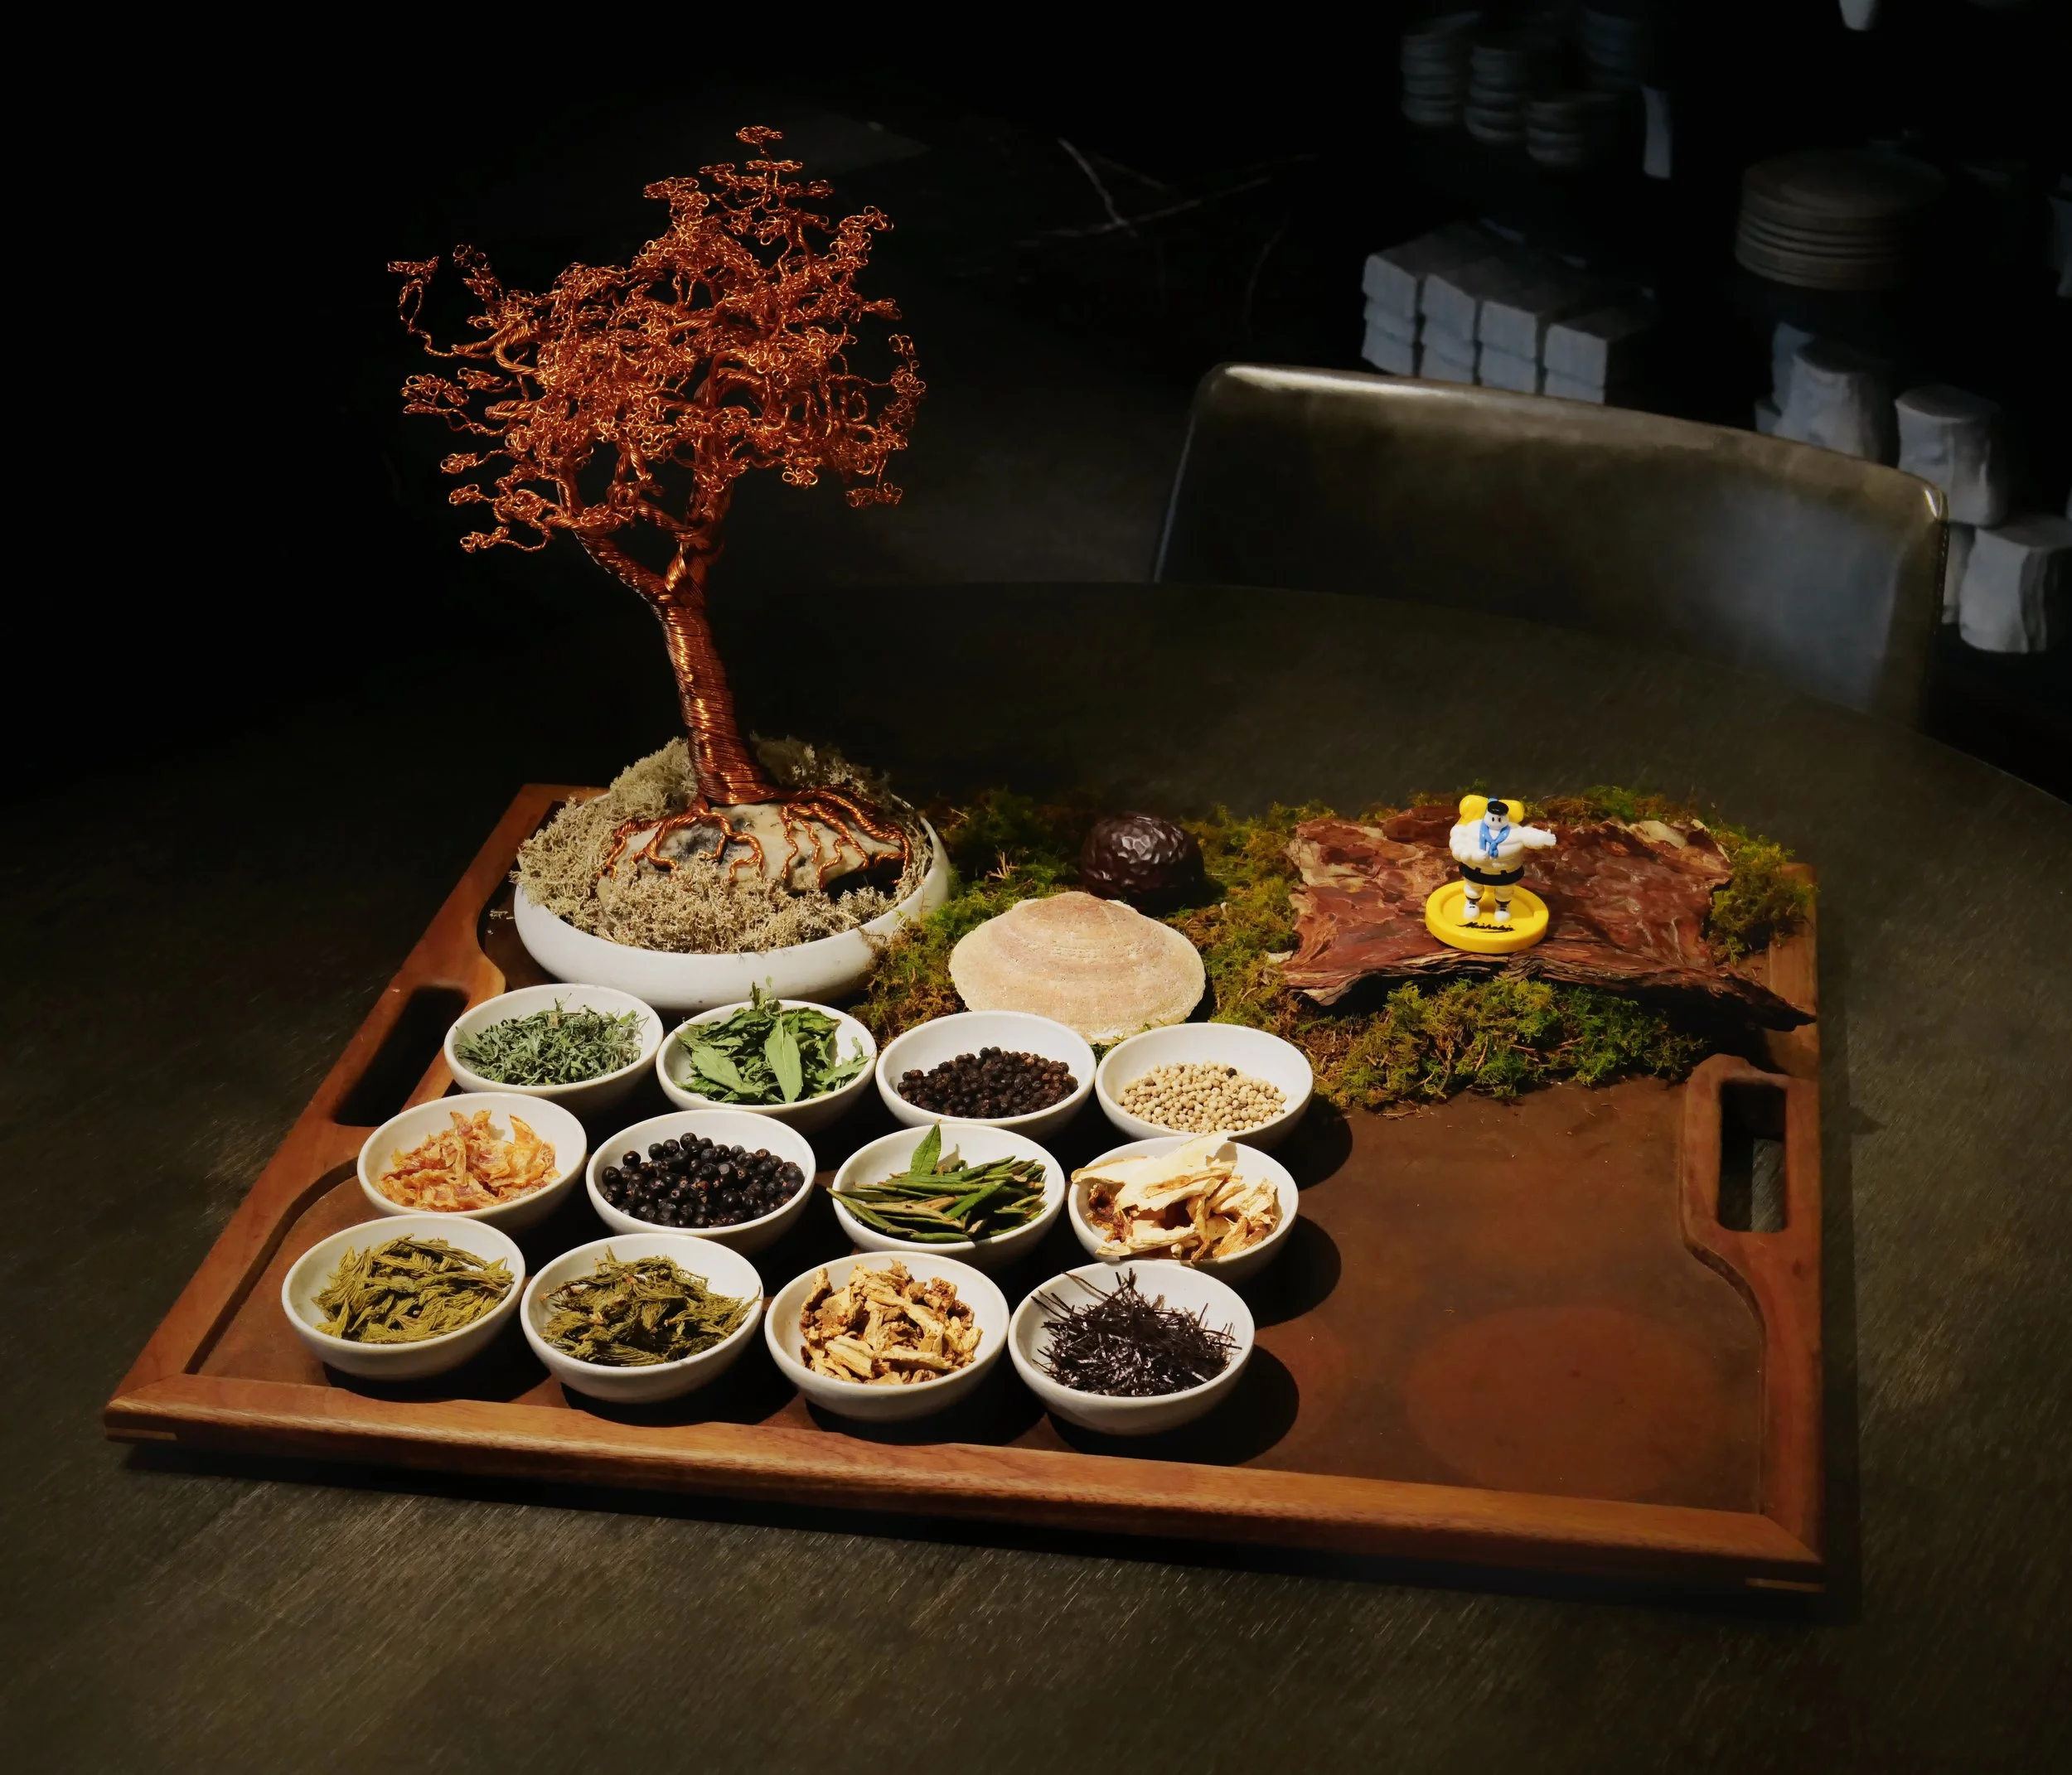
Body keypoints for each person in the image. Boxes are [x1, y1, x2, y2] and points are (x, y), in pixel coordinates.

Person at [1447, 798, 1556, 926]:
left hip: (1505, 872)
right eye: (1493, 817)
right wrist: (1472, 855)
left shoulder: (1515, 831)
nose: (1496, 820)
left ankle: (1503, 906)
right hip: (1476, 869)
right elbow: (1459, 844)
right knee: (1473, 887)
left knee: (1505, 890)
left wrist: (1543, 838)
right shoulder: (1473, 828)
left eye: (1500, 818)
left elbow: (1529, 835)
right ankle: (1472, 903)